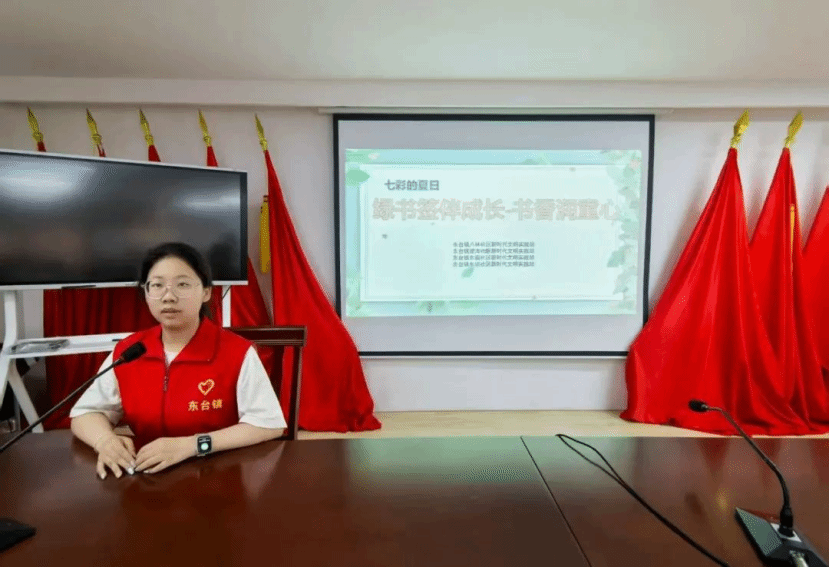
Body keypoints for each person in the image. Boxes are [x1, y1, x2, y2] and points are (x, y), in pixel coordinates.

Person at [70, 242, 286, 479]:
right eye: (157, 285)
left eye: (182, 285)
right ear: (146, 292)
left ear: (206, 292)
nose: (168, 297)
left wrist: (194, 445)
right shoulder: (130, 351)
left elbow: (267, 424)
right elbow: (86, 412)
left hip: (217, 476)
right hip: (145, 477)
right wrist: (105, 440)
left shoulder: (237, 352)